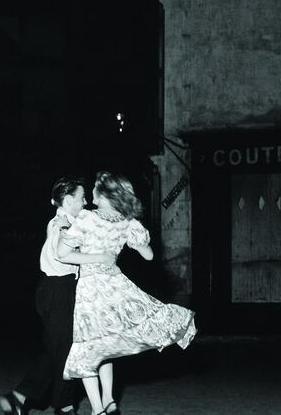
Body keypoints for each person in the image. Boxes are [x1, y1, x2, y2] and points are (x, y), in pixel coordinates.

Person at [57, 171, 197, 415]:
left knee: (90, 347)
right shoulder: (128, 222)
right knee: (107, 345)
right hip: (116, 286)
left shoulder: (87, 218)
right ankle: (109, 402)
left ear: (103, 195)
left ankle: (98, 409)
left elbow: (63, 254)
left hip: (92, 290)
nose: (91, 194)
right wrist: (123, 239)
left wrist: (98, 255)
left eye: (95, 190)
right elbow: (149, 255)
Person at [0, 177, 117, 415]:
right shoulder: (61, 224)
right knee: (66, 350)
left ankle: (21, 398)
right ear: (68, 200)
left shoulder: (69, 221)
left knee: (57, 349)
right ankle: (62, 406)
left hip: (60, 289)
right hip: (58, 290)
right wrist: (101, 258)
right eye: (81, 197)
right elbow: (65, 255)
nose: (85, 201)